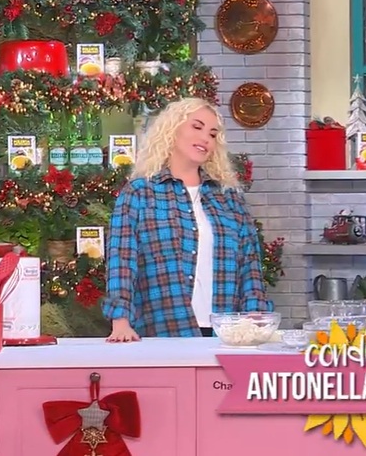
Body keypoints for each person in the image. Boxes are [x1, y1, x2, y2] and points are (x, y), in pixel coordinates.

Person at [103, 97, 273, 341]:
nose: (205, 138)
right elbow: (122, 261)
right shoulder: (140, 193)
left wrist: (256, 318)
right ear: (172, 129)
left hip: (225, 334)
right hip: (162, 333)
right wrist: (120, 321)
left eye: (213, 134)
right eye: (197, 127)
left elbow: (250, 266)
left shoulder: (228, 200)